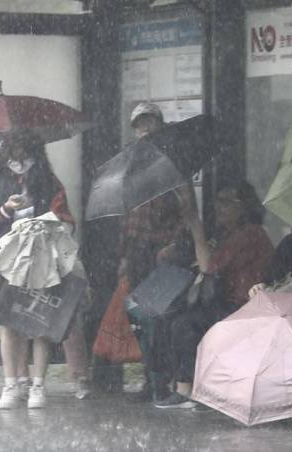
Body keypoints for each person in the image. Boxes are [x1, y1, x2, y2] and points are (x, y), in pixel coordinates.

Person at [0, 133, 90, 409]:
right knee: (9, 323)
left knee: (40, 322)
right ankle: (12, 383)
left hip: (42, 264)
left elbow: (65, 219)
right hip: (4, 264)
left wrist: (45, 224)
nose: (18, 159)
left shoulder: (49, 183)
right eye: (11, 151)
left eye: (23, 151)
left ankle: (39, 384)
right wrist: (5, 211)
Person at [151, 181, 274, 409]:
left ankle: (185, 389)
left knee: (184, 324)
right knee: (167, 316)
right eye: (218, 202)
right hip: (225, 303)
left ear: (244, 207)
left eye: (227, 203)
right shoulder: (228, 234)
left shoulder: (250, 234)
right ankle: (165, 381)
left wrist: (196, 226)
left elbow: (209, 268)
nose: (219, 208)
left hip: (241, 307)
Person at [111, 102, 183, 402]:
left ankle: (164, 379)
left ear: (159, 124)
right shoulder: (130, 166)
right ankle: (151, 376)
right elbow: (127, 217)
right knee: (141, 317)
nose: (144, 129)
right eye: (139, 124)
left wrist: (173, 244)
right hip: (139, 249)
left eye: (149, 122)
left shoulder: (172, 163)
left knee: (160, 318)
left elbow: (183, 211)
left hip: (162, 249)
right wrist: (124, 256)